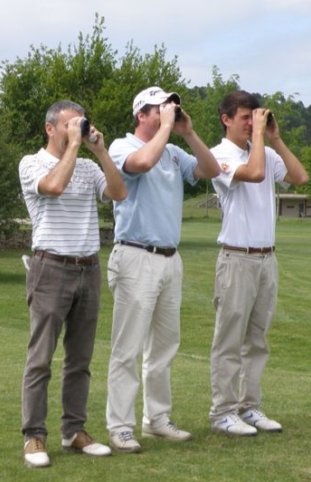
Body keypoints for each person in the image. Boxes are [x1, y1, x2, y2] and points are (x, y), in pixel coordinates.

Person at [105, 86, 220, 453]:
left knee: (165, 347)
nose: (168, 111)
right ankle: (120, 426)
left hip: (171, 258)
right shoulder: (122, 147)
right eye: (160, 108)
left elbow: (210, 170)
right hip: (136, 255)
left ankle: (156, 419)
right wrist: (168, 129)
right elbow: (140, 165)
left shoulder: (172, 150)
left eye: (170, 107)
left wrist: (187, 132)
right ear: (141, 114)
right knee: (128, 348)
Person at [18, 100, 127, 468]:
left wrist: (99, 150)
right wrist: (77, 146)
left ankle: (74, 431)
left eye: (78, 124)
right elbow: (52, 187)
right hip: (51, 268)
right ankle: (34, 436)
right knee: (41, 360)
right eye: (69, 125)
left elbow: (118, 192)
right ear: (51, 128)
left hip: (88, 268)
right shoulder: (31, 163)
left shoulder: (87, 165)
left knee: (80, 360)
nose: (75, 130)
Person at [208, 90, 309, 436]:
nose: (253, 122)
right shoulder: (217, 154)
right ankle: (222, 411)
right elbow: (251, 174)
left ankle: (249, 406)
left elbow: (300, 178)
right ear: (227, 119)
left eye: (255, 116)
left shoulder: (264, 151)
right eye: (245, 117)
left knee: (257, 340)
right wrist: (257, 139)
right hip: (237, 257)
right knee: (229, 340)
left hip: (267, 258)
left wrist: (275, 140)